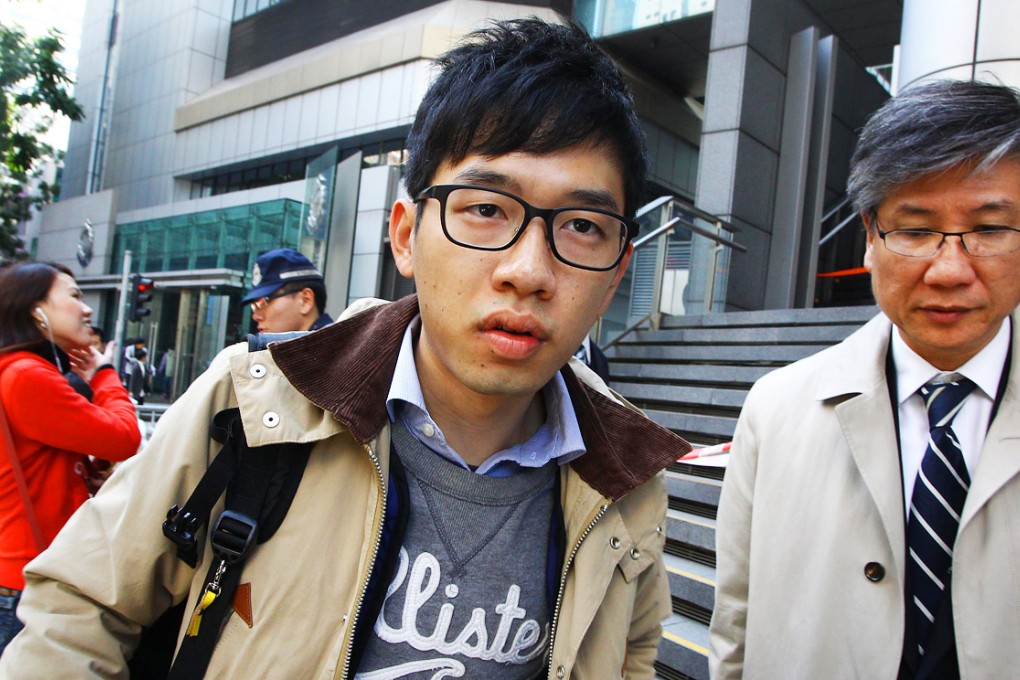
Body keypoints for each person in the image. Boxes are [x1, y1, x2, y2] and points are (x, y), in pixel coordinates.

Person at [0, 18, 691, 678]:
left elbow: (628, 659)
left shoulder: (627, 480)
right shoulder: (255, 402)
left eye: (581, 226)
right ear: (404, 235)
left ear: (617, 276)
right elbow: (79, 610)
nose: (530, 271)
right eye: (486, 208)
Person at [709, 79, 1020, 679]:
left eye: (989, 229)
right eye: (915, 229)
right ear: (870, 238)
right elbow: (736, 618)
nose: (951, 270)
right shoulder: (778, 407)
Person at [0, 263, 141, 656]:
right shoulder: (28, 375)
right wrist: (105, 374)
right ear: (35, 310)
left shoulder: (15, 370)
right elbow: (125, 438)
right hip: (28, 579)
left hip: (20, 571)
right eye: (75, 295)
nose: (87, 309)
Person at [241, 248, 334, 332]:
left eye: (263, 302)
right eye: (254, 306)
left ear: (306, 300)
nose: (256, 316)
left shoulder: (334, 347)